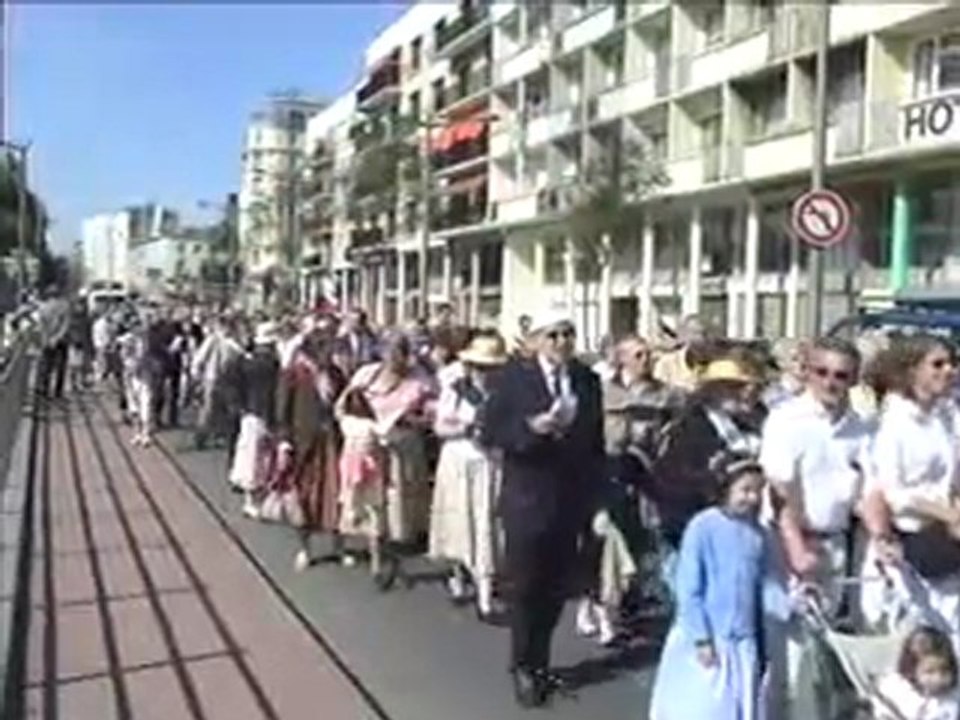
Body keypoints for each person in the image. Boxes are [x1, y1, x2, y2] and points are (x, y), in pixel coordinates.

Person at [483, 312, 604, 708]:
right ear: (536, 340)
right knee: (525, 587)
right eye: (552, 335)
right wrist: (530, 430)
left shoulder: (587, 381)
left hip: (569, 499)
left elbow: (595, 446)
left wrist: (597, 502)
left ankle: (541, 661)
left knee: (554, 589)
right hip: (527, 498)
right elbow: (491, 432)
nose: (561, 342)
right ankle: (521, 664)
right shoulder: (513, 379)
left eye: (568, 334)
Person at [648, 451, 785, 720]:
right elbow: (689, 587)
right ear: (725, 488)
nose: (753, 498)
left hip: (742, 645)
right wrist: (701, 638)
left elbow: (769, 587)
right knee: (704, 708)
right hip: (707, 639)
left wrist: (793, 604)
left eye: (758, 491)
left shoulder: (761, 535)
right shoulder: (703, 527)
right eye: (745, 490)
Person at [429, 334, 508, 621]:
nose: (485, 374)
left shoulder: (504, 393)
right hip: (460, 460)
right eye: (480, 367)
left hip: (490, 463)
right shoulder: (457, 389)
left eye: (491, 368)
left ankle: (486, 590)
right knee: (460, 519)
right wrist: (466, 426)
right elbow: (440, 426)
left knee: (487, 520)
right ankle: (459, 571)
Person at [335, 387, 389, 585]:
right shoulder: (371, 425)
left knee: (347, 505)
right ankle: (376, 561)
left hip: (350, 471)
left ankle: (341, 547)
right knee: (373, 514)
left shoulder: (346, 424)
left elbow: (337, 410)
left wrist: (348, 389)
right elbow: (385, 438)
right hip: (371, 473)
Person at [873, 626, 960, 720]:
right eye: (929, 672)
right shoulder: (897, 692)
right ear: (911, 671)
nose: (938, 678)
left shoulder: (954, 691)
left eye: (945, 670)